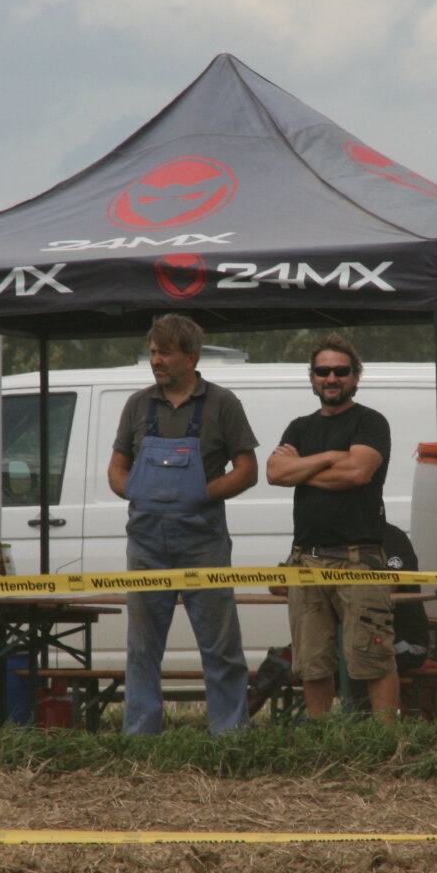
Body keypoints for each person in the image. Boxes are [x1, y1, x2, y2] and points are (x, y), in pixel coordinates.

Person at [108, 314, 258, 735]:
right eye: (153, 352)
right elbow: (116, 468)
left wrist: (202, 493)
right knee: (142, 648)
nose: (156, 361)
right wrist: (136, 490)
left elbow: (247, 470)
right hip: (146, 543)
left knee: (221, 647)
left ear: (191, 358)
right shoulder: (138, 405)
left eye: (165, 353)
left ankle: (230, 737)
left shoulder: (222, 403)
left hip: (203, 541)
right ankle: (141, 739)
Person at [266, 334, 398, 720]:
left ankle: (389, 741)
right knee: (312, 663)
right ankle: (322, 740)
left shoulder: (370, 422)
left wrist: (301, 469)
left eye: (341, 371)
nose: (331, 378)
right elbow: (274, 473)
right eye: (323, 371)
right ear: (312, 377)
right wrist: (328, 457)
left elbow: (357, 473)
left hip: (359, 559)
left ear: (355, 377)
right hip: (306, 561)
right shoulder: (299, 427)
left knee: (372, 657)